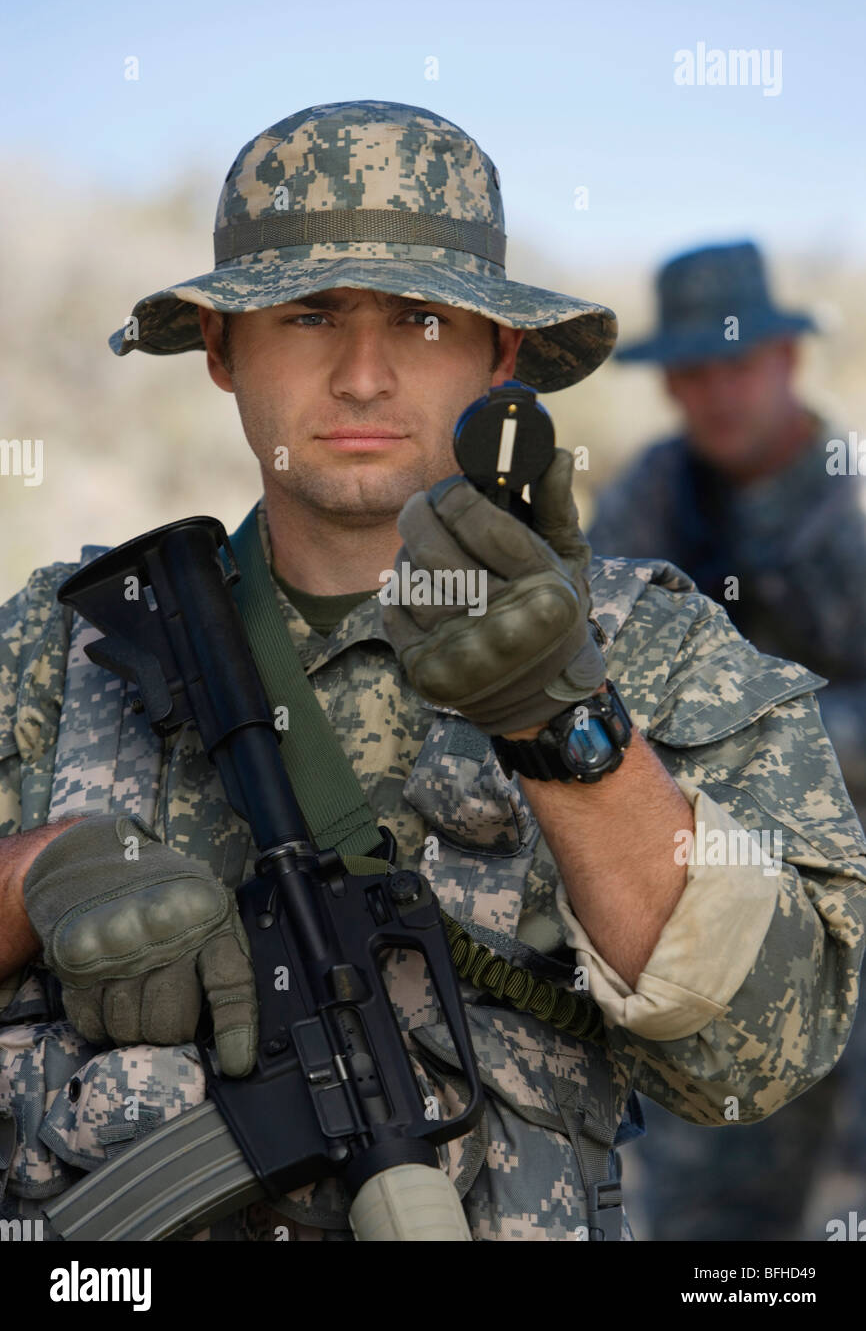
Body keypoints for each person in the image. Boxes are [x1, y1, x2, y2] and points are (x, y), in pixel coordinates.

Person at [0, 105, 864, 1244]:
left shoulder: (650, 645)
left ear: (498, 356)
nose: (362, 376)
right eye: (308, 315)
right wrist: (39, 878)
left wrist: (564, 726)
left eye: (418, 320)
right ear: (218, 348)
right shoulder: (61, 643)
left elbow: (764, 1050)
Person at [589, 240, 866, 1240]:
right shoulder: (654, 497)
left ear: (786, 362)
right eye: (692, 373)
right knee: (714, 1206)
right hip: (717, 893)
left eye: (735, 364)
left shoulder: (847, 503)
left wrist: (763, 737)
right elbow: (595, 664)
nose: (715, 394)